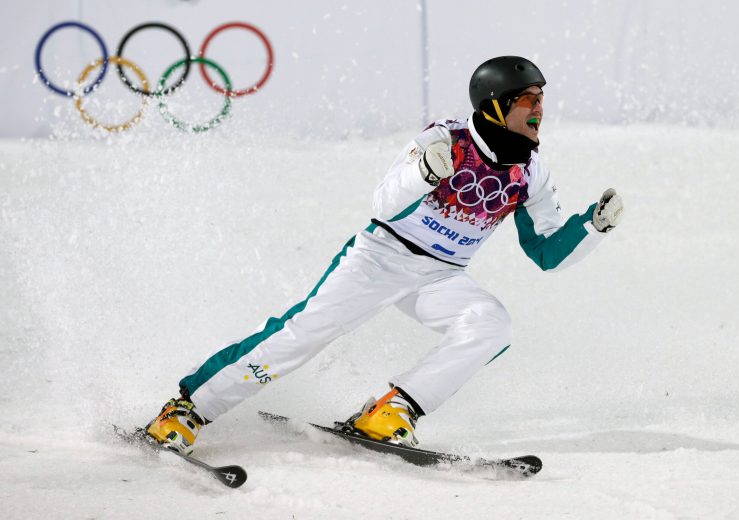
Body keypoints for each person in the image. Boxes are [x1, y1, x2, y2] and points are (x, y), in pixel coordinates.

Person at [145, 56, 624, 454]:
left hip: (440, 275)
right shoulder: (445, 139)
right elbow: (382, 205)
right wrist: (425, 175)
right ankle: (187, 410)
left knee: (491, 324)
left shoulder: (531, 171)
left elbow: (547, 253)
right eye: (529, 99)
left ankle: (391, 410)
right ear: (497, 106)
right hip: (380, 257)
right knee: (302, 334)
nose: (540, 108)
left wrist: (593, 227)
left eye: (542, 98)